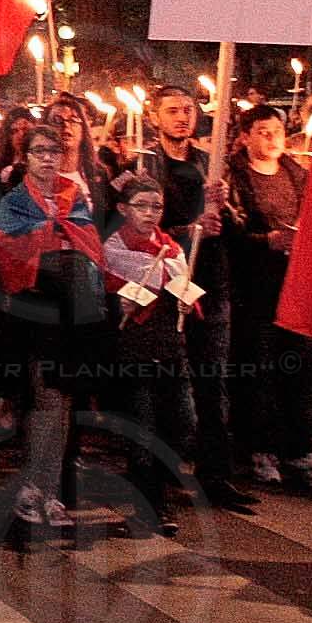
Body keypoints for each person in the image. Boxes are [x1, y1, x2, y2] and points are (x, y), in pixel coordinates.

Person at [133, 87, 253, 513]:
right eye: (172, 111)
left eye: (188, 110)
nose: (182, 118)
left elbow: (234, 224)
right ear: (154, 117)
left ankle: (215, 476)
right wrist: (191, 228)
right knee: (164, 388)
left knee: (212, 383)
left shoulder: (210, 164)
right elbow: (142, 227)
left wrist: (225, 211)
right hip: (167, 288)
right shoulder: (145, 165)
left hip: (212, 285)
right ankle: (158, 479)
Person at [0, 122, 109, 540]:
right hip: (33, 314)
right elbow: (6, 249)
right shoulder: (15, 200)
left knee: (61, 406)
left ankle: (50, 490)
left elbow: (89, 243)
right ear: (25, 156)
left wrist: (59, 238)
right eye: (39, 150)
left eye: (53, 151)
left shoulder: (72, 196)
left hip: (69, 315)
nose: (47, 158)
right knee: (42, 400)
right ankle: (32, 487)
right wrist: (51, 238)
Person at [225, 106, 312, 491]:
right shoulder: (232, 176)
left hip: (296, 285)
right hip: (255, 289)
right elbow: (228, 234)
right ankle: (258, 448)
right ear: (246, 136)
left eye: (278, 132)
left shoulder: (296, 173)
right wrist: (267, 241)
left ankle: (300, 449)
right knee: (259, 369)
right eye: (264, 132)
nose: (273, 140)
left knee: (302, 369)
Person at [100, 173, 196, 537]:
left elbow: (182, 286)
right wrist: (116, 301)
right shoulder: (113, 250)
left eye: (156, 206)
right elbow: (105, 292)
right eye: (141, 206)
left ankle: (159, 495)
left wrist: (187, 304)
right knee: (142, 433)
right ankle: (150, 506)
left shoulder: (172, 250)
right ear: (124, 209)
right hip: (134, 353)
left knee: (183, 426)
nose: (150, 213)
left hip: (170, 352)